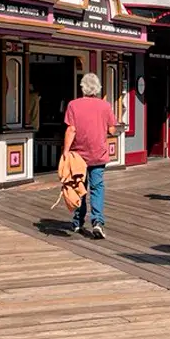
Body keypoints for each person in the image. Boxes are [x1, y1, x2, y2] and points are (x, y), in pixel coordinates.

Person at [63, 72, 119, 238]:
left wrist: (65, 151)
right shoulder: (105, 106)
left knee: (79, 187)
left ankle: (78, 222)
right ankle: (97, 221)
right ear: (97, 88)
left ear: (82, 88)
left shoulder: (73, 105)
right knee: (97, 187)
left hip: (78, 155)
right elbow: (112, 129)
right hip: (98, 153)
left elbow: (71, 129)